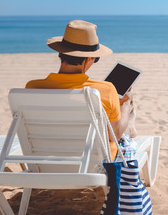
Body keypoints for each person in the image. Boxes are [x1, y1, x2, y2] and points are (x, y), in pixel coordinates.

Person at [25, 20, 134, 160]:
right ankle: (131, 124)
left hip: (43, 159)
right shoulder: (105, 90)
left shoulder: (32, 88)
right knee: (126, 120)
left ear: (61, 53)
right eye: (95, 59)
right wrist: (125, 104)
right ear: (88, 59)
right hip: (93, 162)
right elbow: (115, 135)